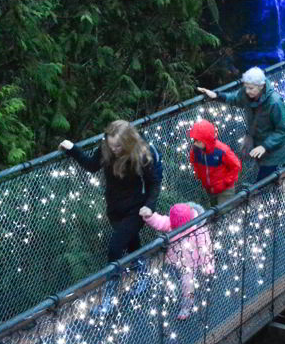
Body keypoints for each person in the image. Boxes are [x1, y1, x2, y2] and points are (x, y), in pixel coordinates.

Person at [59, 121, 162, 264]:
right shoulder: (106, 149)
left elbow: (154, 182)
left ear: (129, 142)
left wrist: (149, 206)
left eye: (118, 146)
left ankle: (113, 282)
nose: (114, 149)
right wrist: (72, 149)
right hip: (114, 208)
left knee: (115, 248)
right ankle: (140, 271)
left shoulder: (142, 153)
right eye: (111, 145)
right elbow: (92, 165)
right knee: (131, 242)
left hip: (136, 209)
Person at [197, 67, 285, 183]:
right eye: (246, 87)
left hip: (273, 151)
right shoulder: (247, 95)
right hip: (257, 145)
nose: (247, 91)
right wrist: (216, 95)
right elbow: (234, 98)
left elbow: (282, 130)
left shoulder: (275, 103)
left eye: (251, 88)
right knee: (267, 179)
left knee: (263, 183)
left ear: (261, 86)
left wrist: (265, 146)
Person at [139, 202, 215, 320]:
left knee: (187, 285)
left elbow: (205, 248)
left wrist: (208, 264)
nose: (174, 228)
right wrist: (150, 216)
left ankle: (186, 308)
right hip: (176, 260)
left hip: (192, 262)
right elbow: (160, 221)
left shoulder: (199, 229)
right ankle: (179, 300)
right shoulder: (172, 222)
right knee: (177, 282)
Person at [187, 118, 241, 206]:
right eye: (194, 140)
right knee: (214, 210)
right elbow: (194, 163)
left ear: (206, 140)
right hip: (210, 189)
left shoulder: (222, 150)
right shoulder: (196, 151)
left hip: (225, 190)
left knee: (224, 212)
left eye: (198, 141)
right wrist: (199, 175)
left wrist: (225, 182)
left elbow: (236, 166)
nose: (195, 144)